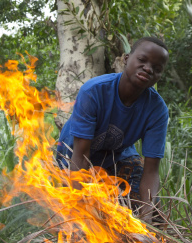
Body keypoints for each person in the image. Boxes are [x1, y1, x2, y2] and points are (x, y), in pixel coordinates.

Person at [56, 37, 169, 221]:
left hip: (116, 154)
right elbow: (80, 156)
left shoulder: (157, 110)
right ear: (126, 58)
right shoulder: (94, 91)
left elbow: (151, 170)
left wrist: (146, 219)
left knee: (153, 212)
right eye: (142, 60)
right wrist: (79, 213)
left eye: (157, 69)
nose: (148, 69)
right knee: (85, 216)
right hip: (74, 155)